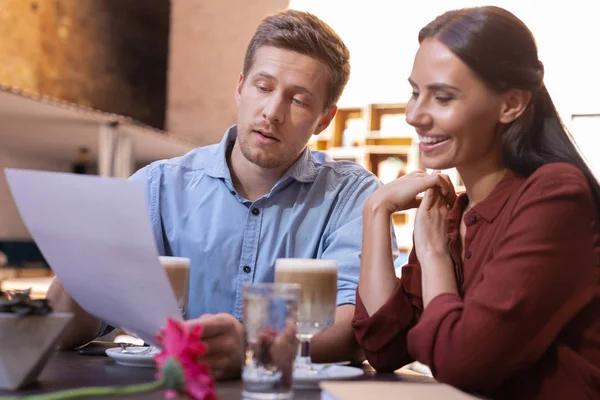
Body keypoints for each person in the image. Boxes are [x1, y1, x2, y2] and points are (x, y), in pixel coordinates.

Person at [48, 9, 396, 379]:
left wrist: (248, 346)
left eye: (298, 100)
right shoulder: (155, 187)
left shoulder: (353, 196)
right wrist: (79, 257)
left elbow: (354, 327)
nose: (272, 112)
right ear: (240, 87)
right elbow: (64, 331)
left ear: (324, 119)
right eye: (263, 87)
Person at [353, 6, 600, 400]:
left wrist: (433, 256)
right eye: (415, 92)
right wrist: (375, 211)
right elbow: (384, 347)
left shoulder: (555, 195)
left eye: (443, 97)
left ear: (512, 104)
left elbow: (461, 363)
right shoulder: (452, 213)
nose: (414, 115)